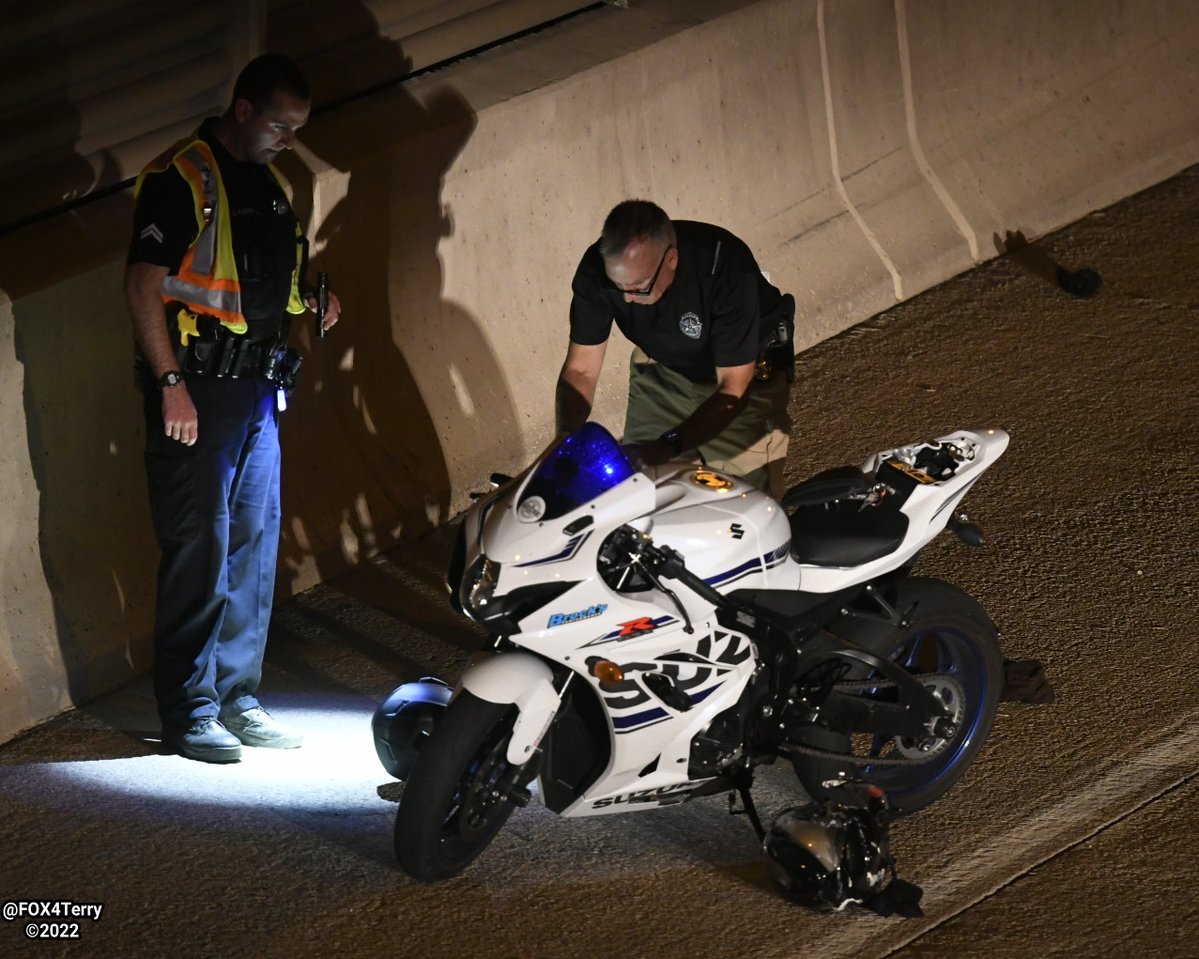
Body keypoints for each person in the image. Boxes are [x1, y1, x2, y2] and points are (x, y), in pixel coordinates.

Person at [125, 54, 341, 763]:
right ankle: (189, 709)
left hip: (255, 391)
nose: (288, 138)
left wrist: (311, 299)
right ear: (243, 110)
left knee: (252, 544)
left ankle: (237, 698)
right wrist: (168, 383)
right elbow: (143, 285)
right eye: (280, 124)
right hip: (197, 391)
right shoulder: (182, 176)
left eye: (297, 128)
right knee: (200, 548)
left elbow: (264, 287)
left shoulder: (272, 185)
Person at [556, 199, 794, 493]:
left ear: (671, 259)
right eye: (618, 287)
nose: (627, 298)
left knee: (742, 506)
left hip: (743, 381)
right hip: (664, 374)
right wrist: (565, 439)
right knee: (632, 490)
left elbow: (733, 388)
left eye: (639, 287)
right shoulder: (596, 271)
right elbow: (581, 369)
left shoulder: (723, 266)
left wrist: (666, 446)